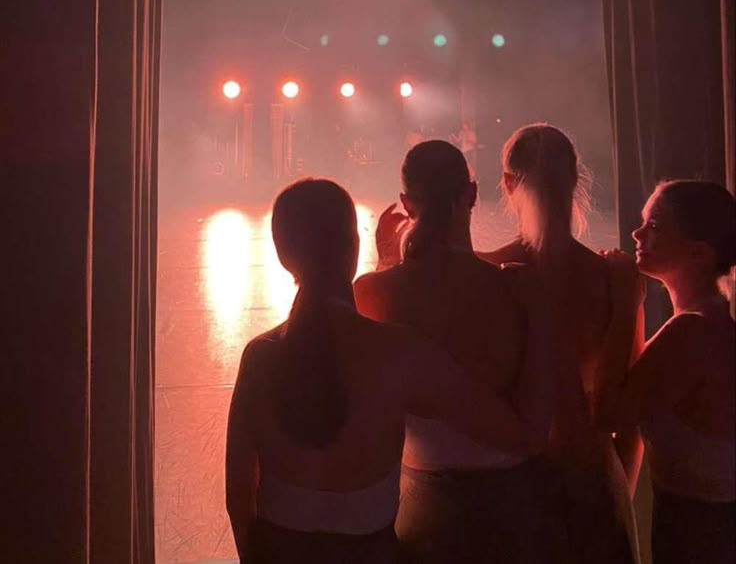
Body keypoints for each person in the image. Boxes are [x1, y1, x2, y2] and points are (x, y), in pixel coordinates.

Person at [226, 177, 549, 564]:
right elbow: (523, 436)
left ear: (282, 255)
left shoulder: (259, 357)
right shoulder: (398, 354)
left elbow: (239, 501)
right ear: (353, 245)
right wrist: (540, 313)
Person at [354, 141, 564, 564]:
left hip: (423, 505)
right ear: (471, 194)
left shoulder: (372, 291)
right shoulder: (513, 291)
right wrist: (541, 314)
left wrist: (385, 263)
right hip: (512, 505)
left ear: (406, 202)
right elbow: (537, 427)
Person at [478, 123, 642, 564]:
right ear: (576, 179)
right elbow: (628, 416)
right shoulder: (615, 280)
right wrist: (615, 494)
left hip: (511, 482)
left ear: (508, 184)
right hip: (590, 476)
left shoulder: (488, 276)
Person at [595, 180, 736, 564]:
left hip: (705, 535)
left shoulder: (694, 329)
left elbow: (609, 413)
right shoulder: (708, 320)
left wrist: (626, 306)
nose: (637, 233)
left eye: (654, 225)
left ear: (698, 252)